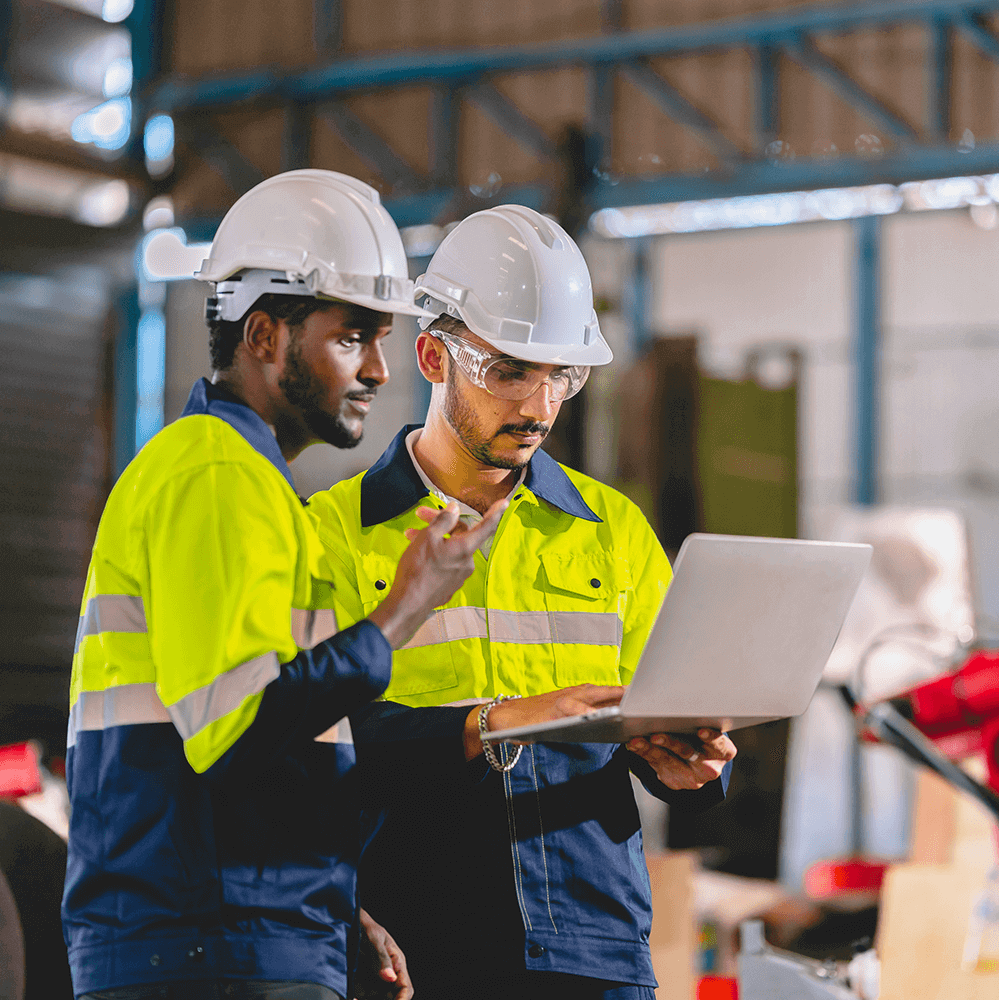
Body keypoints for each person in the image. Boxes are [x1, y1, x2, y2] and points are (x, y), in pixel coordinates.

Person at [62, 170, 504, 1000]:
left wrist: (332, 908)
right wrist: (404, 608)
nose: (378, 369)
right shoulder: (213, 473)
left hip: (234, 932)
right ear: (263, 336)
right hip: (204, 945)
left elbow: (273, 749)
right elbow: (234, 728)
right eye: (351, 338)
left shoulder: (258, 489)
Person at [309, 204, 738, 1000]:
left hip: (594, 946)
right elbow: (307, 753)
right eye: (509, 371)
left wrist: (695, 765)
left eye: (561, 376)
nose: (539, 406)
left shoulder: (610, 530)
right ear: (433, 355)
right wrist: (493, 722)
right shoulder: (333, 535)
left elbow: (665, 714)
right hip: (416, 945)